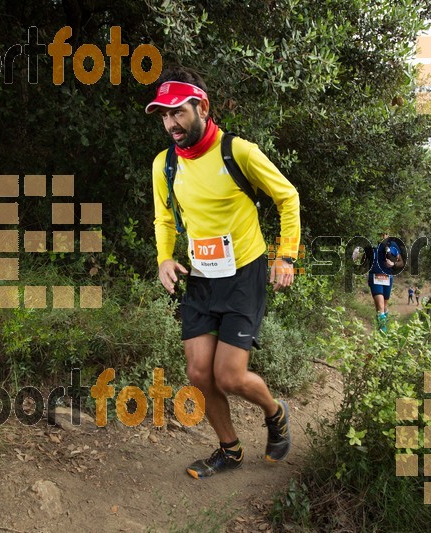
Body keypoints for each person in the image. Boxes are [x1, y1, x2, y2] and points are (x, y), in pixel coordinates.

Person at [147, 67, 301, 479]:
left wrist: (286, 256)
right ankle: (229, 450)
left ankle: (275, 411)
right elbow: (164, 219)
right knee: (199, 373)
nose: (170, 124)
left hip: (244, 273)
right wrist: (165, 257)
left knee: (229, 375)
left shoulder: (239, 152)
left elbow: (288, 197)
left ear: (202, 107)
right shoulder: (165, 166)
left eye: (177, 113)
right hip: (201, 275)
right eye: (163, 115)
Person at [367, 230, 404, 332]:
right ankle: (382, 334)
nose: (383, 236)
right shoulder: (371, 244)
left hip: (388, 278)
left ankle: (382, 329)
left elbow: (401, 262)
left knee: (385, 307)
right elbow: (363, 261)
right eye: (380, 233)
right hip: (374, 277)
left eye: (386, 233)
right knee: (380, 305)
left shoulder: (392, 245)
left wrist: (393, 264)